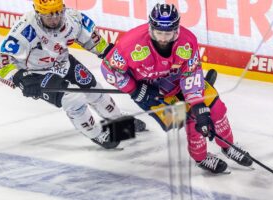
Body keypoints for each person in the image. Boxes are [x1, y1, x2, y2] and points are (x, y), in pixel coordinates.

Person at [101, 3, 253, 173]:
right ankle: (201, 158)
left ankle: (228, 146)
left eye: (168, 33)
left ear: (176, 30)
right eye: (159, 32)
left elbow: (192, 72)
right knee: (185, 118)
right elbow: (108, 69)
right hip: (149, 91)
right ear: (151, 28)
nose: (163, 38)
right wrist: (134, 90)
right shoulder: (131, 44)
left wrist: (197, 103)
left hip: (178, 79)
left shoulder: (188, 41)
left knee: (216, 108)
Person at [0, 0, 146, 149]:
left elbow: (95, 42)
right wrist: (20, 78)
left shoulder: (74, 19)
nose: (54, 19)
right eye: (48, 15)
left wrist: (110, 55)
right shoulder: (25, 30)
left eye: (57, 13)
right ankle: (96, 133)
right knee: (73, 98)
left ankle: (118, 120)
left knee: (94, 90)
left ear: (63, 8)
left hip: (64, 63)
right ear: (37, 12)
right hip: (37, 73)